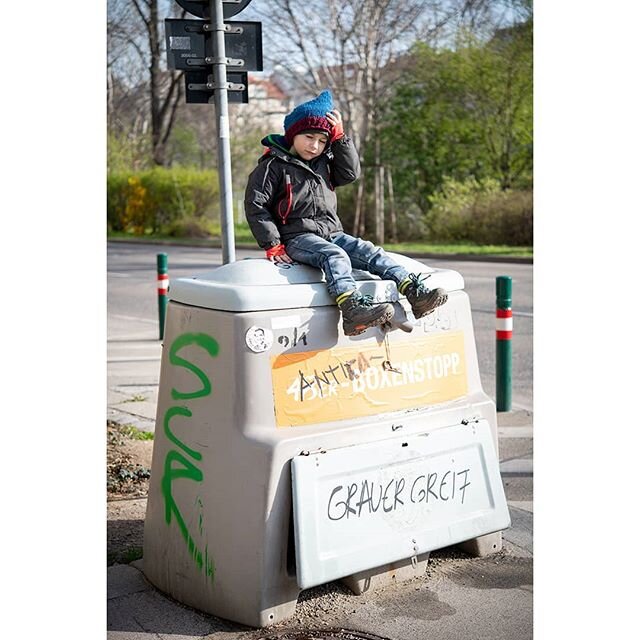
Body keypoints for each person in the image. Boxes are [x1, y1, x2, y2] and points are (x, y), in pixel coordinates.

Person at [244, 89, 447, 336]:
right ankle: (352, 311)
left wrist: (340, 139)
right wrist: (272, 243)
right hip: (297, 237)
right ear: (293, 133)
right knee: (334, 256)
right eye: (309, 137)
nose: (314, 145)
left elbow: (349, 173)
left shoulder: (323, 164)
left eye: (321, 141)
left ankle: (415, 293)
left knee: (370, 251)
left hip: (332, 231)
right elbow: (256, 205)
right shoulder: (273, 166)